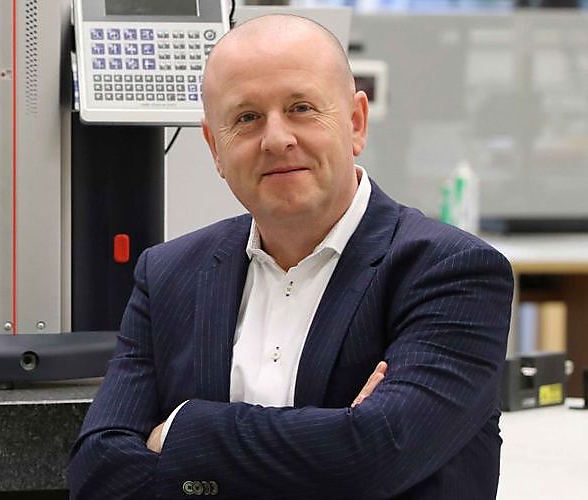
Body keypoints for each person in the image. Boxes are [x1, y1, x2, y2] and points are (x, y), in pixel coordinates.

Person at [69, 14, 513, 500]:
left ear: (356, 122)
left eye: (301, 108)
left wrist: (181, 430)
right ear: (215, 148)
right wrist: (336, 438)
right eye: (247, 118)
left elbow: (374, 459)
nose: (277, 139)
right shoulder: (169, 274)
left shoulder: (452, 272)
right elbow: (98, 474)